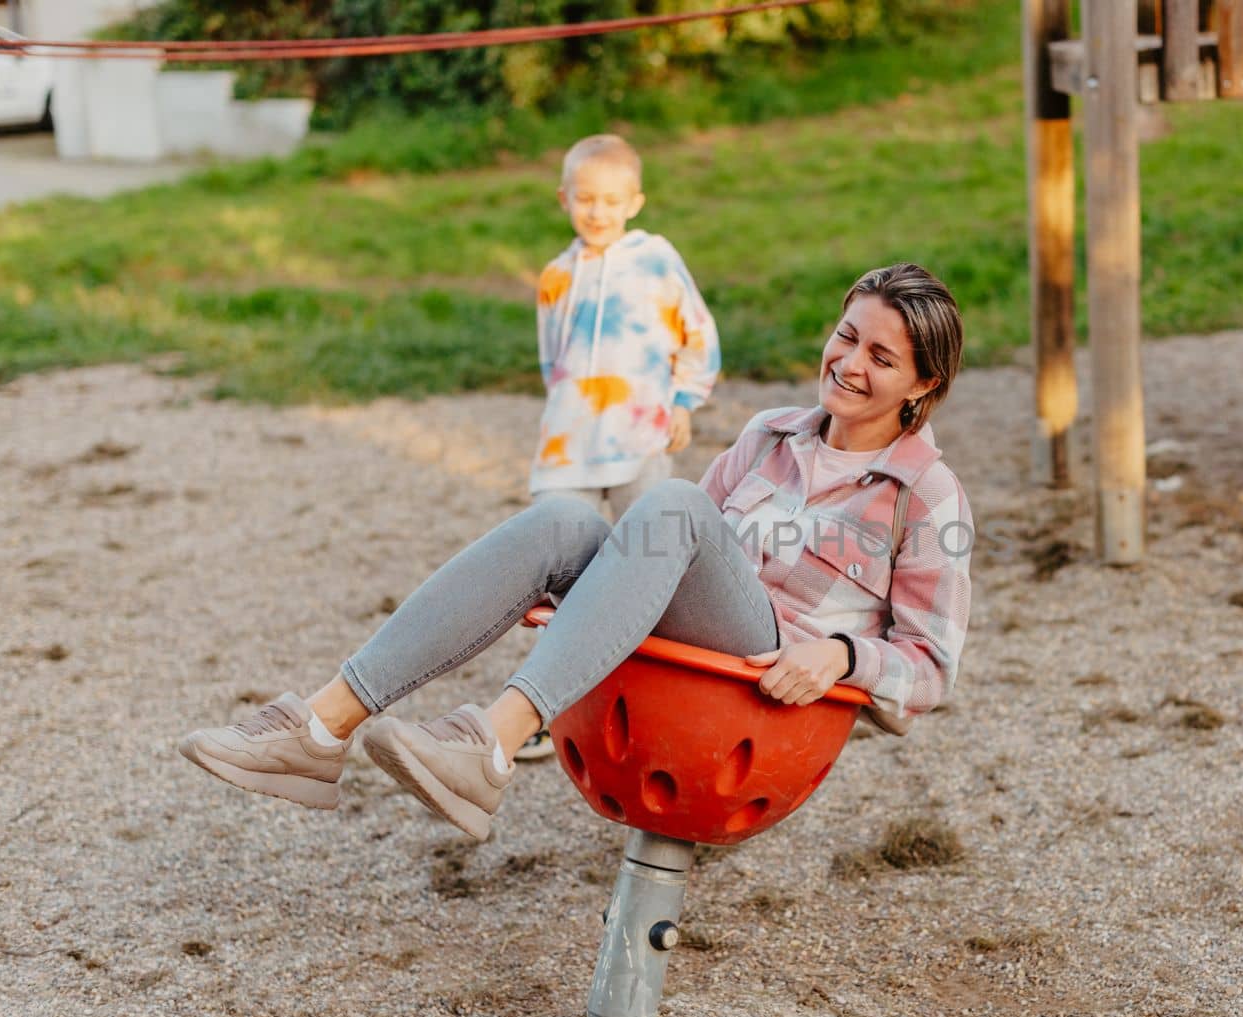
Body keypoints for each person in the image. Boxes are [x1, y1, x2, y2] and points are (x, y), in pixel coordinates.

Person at [178, 263, 972, 841]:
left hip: (761, 690)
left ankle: (490, 743)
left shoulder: (926, 495)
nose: (849, 363)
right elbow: (676, 557)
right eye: (847, 336)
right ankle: (317, 731)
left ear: (921, 385)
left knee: (671, 500)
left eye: (881, 358)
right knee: (563, 522)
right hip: (686, 648)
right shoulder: (769, 433)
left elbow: (932, 662)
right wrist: (595, 594)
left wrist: (841, 654)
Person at [516, 133, 720, 760]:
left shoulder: (656, 261)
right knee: (553, 568)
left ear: (634, 202)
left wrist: (684, 399)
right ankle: (550, 702)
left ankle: (664, 688)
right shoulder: (555, 276)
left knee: (651, 557)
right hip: (571, 443)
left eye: (610, 200)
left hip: (639, 436)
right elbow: (554, 360)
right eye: (585, 200)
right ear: (564, 199)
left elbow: (698, 334)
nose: (597, 212)